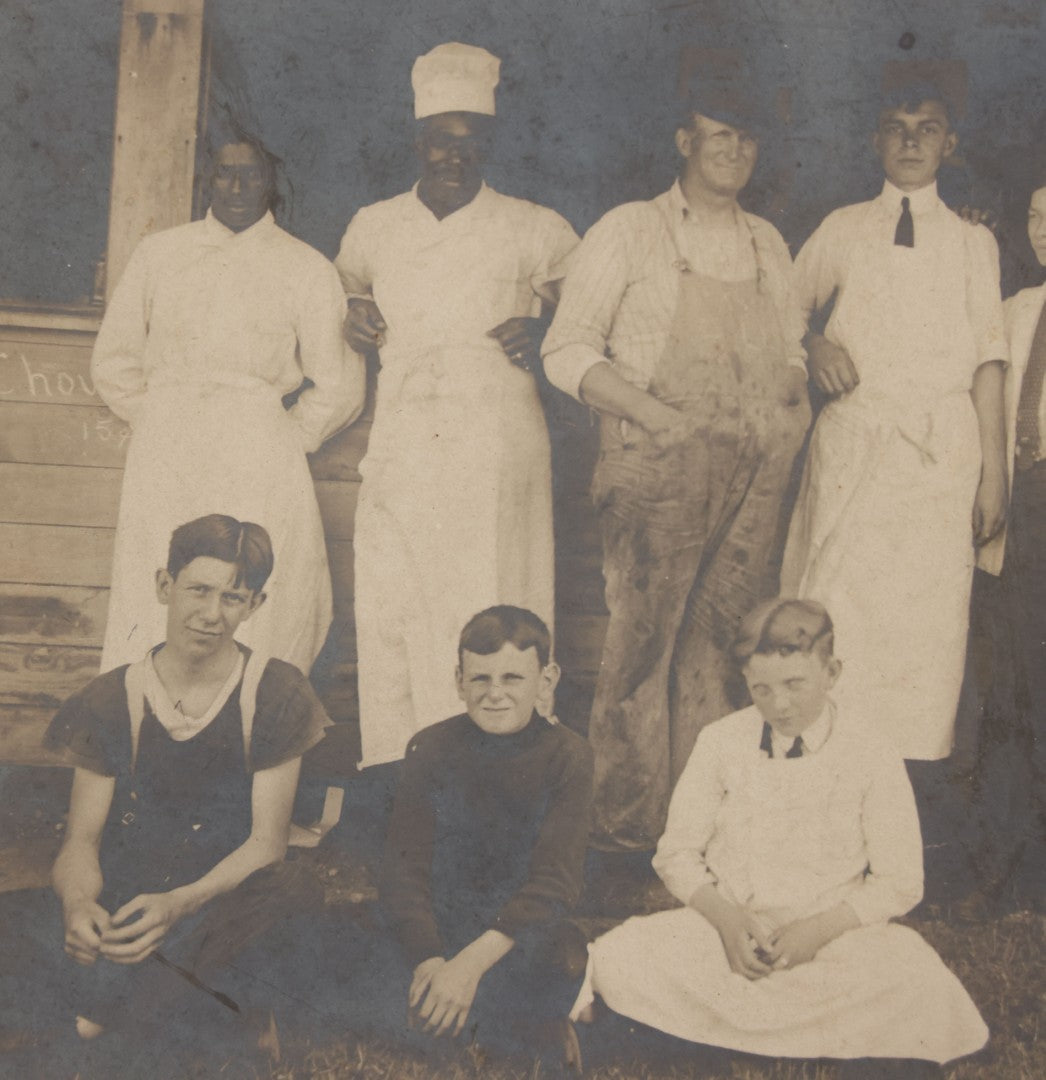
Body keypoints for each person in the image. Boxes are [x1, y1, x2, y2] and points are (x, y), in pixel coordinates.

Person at [542, 72, 811, 851]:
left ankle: (702, 831)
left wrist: (783, 397)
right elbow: (566, 349)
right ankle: (627, 832)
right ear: (684, 141)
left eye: (747, 137)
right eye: (717, 133)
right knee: (642, 649)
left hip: (752, 478)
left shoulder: (768, 241)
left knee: (719, 645)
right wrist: (651, 413)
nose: (733, 149)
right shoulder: (630, 230)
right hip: (657, 471)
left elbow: (791, 347)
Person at [571, 599, 989, 1077]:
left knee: (910, 971)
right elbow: (677, 855)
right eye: (761, 689)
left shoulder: (872, 749)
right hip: (729, 935)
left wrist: (819, 930)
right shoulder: (720, 741)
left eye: (795, 684)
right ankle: (816, 1040)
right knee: (626, 951)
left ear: (832, 671)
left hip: (833, 937)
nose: (779, 704)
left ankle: (697, 1034)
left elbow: (900, 880)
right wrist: (727, 921)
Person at [335, 43, 579, 768]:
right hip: (409, 431)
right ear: (418, 141)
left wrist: (547, 328)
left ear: (490, 146)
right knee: (396, 600)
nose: (456, 156)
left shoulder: (536, 226)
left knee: (495, 590)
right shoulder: (373, 226)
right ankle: (398, 770)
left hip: (497, 437)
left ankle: (505, 768)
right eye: (443, 139)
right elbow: (347, 290)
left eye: (472, 143)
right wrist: (351, 309)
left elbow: (598, 311)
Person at [780, 72, 1008, 767]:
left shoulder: (974, 242)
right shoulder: (843, 227)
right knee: (838, 615)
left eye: (928, 128)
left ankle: (905, 808)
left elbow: (989, 363)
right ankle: (820, 776)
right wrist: (815, 344)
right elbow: (781, 313)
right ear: (875, 139)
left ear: (950, 144)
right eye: (898, 127)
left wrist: (992, 474)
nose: (911, 142)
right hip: (855, 450)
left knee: (923, 632)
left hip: (940, 462)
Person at [43, 515, 329, 1053]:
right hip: (134, 901)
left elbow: (267, 844)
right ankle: (196, 1015)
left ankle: (115, 1016)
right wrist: (80, 905)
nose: (211, 614)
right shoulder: (111, 697)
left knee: (295, 890)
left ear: (255, 606)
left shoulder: (276, 690)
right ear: (164, 585)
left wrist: (181, 903)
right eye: (198, 590)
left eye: (233, 598)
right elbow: (81, 840)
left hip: (219, 901)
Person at [92, 132, 364, 675]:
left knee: (257, 578)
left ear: (271, 183)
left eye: (252, 174)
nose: (237, 186)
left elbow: (339, 382)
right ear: (206, 179)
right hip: (168, 443)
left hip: (256, 444)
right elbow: (114, 361)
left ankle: (250, 722)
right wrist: (165, 418)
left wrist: (286, 433)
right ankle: (151, 726)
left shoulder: (305, 266)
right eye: (224, 172)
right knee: (159, 573)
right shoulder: (159, 254)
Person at [318, 607, 591, 1064]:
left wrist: (468, 968)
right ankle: (485, 1023)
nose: (495, 695)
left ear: (547, 679)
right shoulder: (430, 747)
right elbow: (404, 871)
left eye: (513, 679)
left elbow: (554, 884)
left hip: (511, 937)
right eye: (480, 679)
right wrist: (430, 960)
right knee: (340, 942)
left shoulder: (568, 756)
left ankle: (456, 1019)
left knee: (564, 958)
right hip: (440, 930)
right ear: (459, 680)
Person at [966, 162, 1046, 907]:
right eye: (1036, 218)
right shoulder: (1016, 308)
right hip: (1028, 513)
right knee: (1014, 687)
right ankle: (1000, 858)